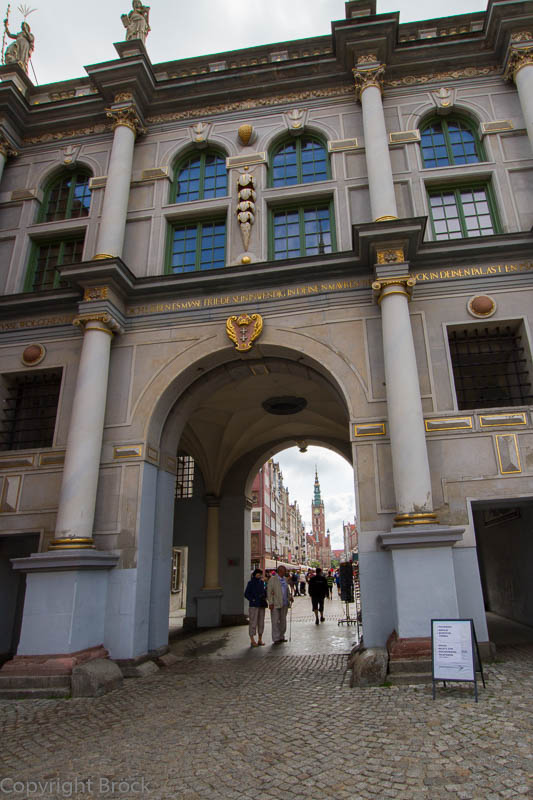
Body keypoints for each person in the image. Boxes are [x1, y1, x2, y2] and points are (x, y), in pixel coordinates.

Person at [267, 565, 292, 644]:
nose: (285, 572)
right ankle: (276, 638)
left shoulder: (284, 579)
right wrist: (270, 602)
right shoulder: (273, 579)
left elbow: (287, 590)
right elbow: (269, 592)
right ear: (280, 571)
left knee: (283, 621)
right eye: (284, 571)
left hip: (284, 603)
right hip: (275, 603)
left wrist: (290, 597)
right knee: (275, 621)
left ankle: (281, 636)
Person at [244, 569, 267, 647]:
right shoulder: (250, 583)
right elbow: (246, 594)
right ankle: (252, 640)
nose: (259, 575)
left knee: (261, 622)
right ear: (254, 574)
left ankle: (260, 639)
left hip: (261, 604)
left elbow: (264, 592)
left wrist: (264, 595)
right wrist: (252, 599)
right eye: (258, 574)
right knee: (253, 622)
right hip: (253, 605)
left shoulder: (262, 582)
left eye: (260, 574)